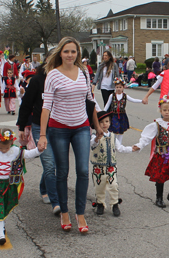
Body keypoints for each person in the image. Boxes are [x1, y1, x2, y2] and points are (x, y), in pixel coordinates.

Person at [38, 37, 103, 234]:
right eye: (66, 51)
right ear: (60, 53)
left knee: (83, 170)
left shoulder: (83, 72)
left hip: (82, 127)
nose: (70, 55)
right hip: (59, 128)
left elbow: (89, 99)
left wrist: (97, 125)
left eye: (73, 52)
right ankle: (65, 212)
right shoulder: (53, 75)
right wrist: (42, 134)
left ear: (78, 54)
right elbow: (46, 106)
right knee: (63, 171)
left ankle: (80, 213)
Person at [0, 128, 43, 245]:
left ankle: (2, 225)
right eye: (1, 148)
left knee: (5, 207)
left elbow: (30, 154)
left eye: (6, 148)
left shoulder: (16, 150)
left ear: (12, 142)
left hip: (10, 185)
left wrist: (39, 150)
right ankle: (1, 235)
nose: (4, 150)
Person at [17, 51, 61, 214]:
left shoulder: (63, 78)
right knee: (49, 163)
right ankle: (56, 202)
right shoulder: (37, 80)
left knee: (54, 163)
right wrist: (22, 127)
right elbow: (26, 104)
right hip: (39, 126)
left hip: (58, 127)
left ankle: (43, 187)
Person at [90, 111, 133, 217]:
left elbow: (120, 148)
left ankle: (114, 204)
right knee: (99, 186)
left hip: (111, 167)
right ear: (97, 124)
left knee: (113, 185)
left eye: (107, 121)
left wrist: (132, 148)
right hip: (98, 167)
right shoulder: (94, 137)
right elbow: (92, 145)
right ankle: (100, 203)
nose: (105, 124)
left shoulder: (113, 136)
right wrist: (96, 138)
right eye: (101, 122)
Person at [103, 78, 142, 143]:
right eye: (117, 87)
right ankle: (114, 142)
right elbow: (107, 104)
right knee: (115, 128)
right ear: (115, 87)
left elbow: (133, 100)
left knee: (121, 129)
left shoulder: (125, 96)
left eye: (120, 87)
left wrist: (141, 101)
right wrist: (103, 112)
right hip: (114, 115)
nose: (118, 89)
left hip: (122, 115)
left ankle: (119, 143)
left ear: (123, 87)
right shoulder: (112, 95)